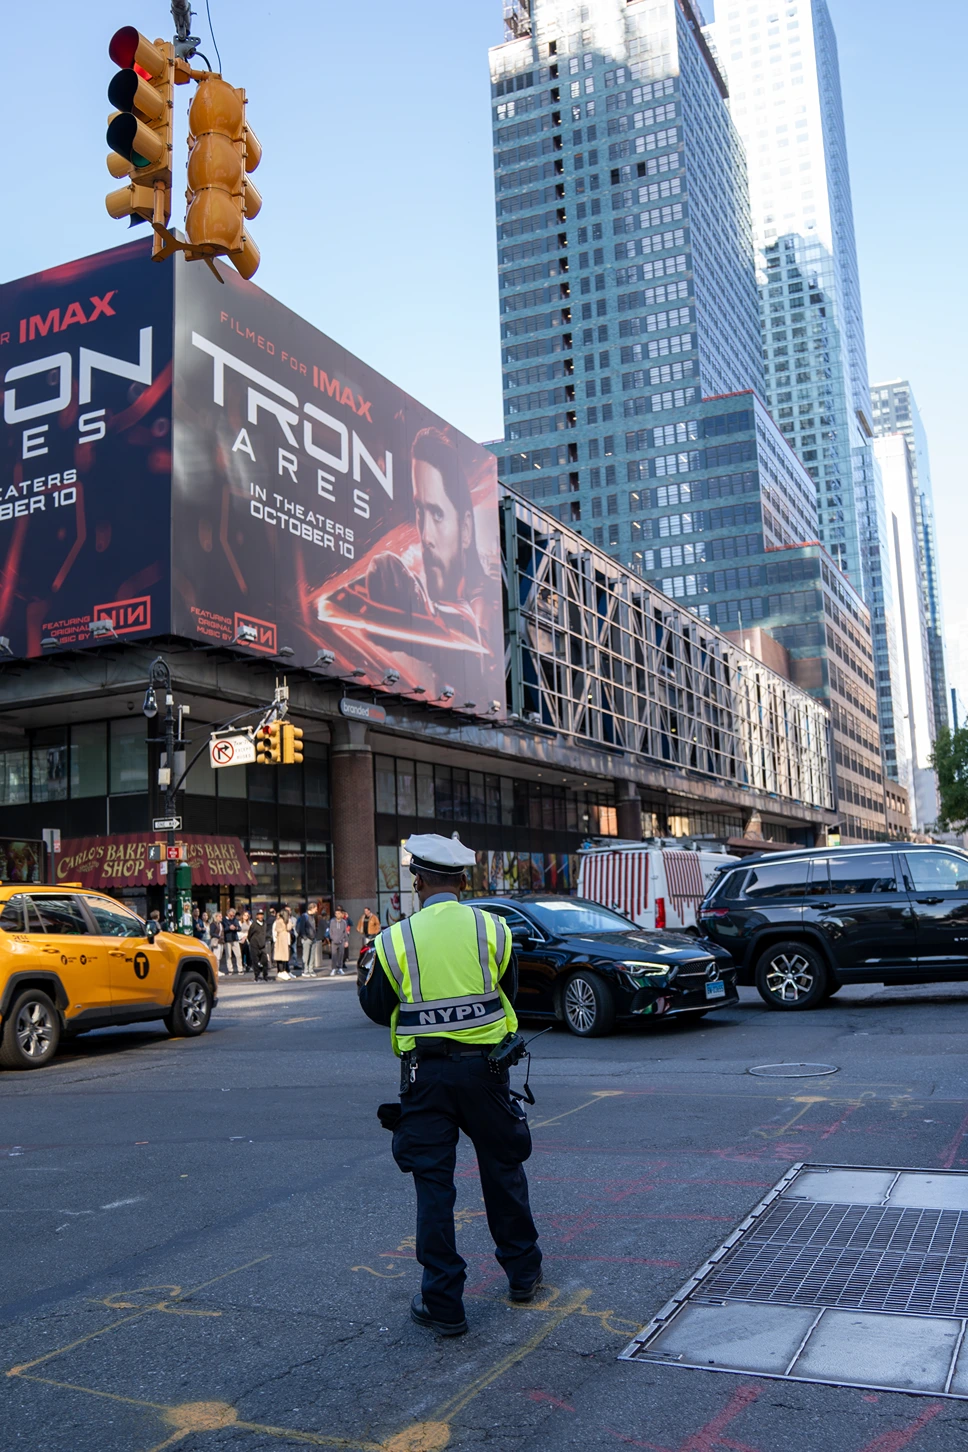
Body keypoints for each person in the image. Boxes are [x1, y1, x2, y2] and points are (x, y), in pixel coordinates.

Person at [358, 833, 541, 1337]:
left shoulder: (394, 939)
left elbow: (376, 1009)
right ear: (463, 882)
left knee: (433, 1188)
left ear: (418, 881)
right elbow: (509, 993)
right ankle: (523, 1274)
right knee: (503, 1172)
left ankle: (444, 1303)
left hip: (426, 1078)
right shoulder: (494, 930)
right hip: (486, 1072)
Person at [295, 903, 317, 978]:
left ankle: (311, 969)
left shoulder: (312, 916)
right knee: (306, 955)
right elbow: (302, 927)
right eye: (315, 908)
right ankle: (305, 970)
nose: (316, 910)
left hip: (313, 938)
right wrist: (304, 937)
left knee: (312, 955)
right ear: (312, 908)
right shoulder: (305, 916)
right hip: (307, 938)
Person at [248, 910, 269, 982]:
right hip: (254, 945)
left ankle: (265, 976)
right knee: (255, 961)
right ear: (257, 916)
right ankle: (257, 976)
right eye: (259, 915)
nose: (261, 916)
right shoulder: (254, 925)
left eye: (262, 915)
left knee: (265, 961)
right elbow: (249, 934)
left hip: (262, 945)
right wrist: (252, 942)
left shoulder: (265, 924)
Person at [328, 906, 350, 976]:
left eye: (338, 913)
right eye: (336, 913)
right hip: (334, 941)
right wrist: (332, 938)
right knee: (334, 955)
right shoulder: (332, 921)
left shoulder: (344, 922)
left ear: (341, 914)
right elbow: (330, 931)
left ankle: (340, 968)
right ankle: (333, 969)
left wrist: (346, 941)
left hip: (341, 941)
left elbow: (345, 932)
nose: (337, 915)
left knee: (341, 955)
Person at [273, 907, 292, 981]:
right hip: (280, 940)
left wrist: (288, 921)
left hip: (285, 939)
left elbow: (289, 928)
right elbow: (281, 929)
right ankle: (281, 971)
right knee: (280, 956)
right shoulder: (279, 921)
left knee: (285, 957)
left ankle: (284, 970)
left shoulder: (287, 921)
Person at [222, 908, 243, 975]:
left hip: (235, 939)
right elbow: (222, 930)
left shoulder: (235, 920)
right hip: (227, 939)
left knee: (238, 955)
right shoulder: (223, 920)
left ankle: (240, 969)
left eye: (233, 915)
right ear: (228, 914)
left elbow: (239, 928)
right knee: (228, 956)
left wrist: (236, 928)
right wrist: (229, 928)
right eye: (231, 915)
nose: (232, 916)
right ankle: (230, 970)